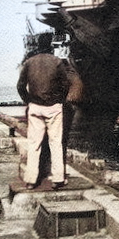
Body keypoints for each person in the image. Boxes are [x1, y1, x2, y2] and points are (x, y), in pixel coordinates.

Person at [17, 53, 80, 190]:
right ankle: (58, 179)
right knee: (56, 142)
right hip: (53, 107)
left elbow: (20, 86)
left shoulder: (29, 62)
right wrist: (59, 100)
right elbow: (65, 84)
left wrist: (29, 101)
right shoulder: (57, 62)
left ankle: (31, 181)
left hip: (35, 107)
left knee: (34, 144)